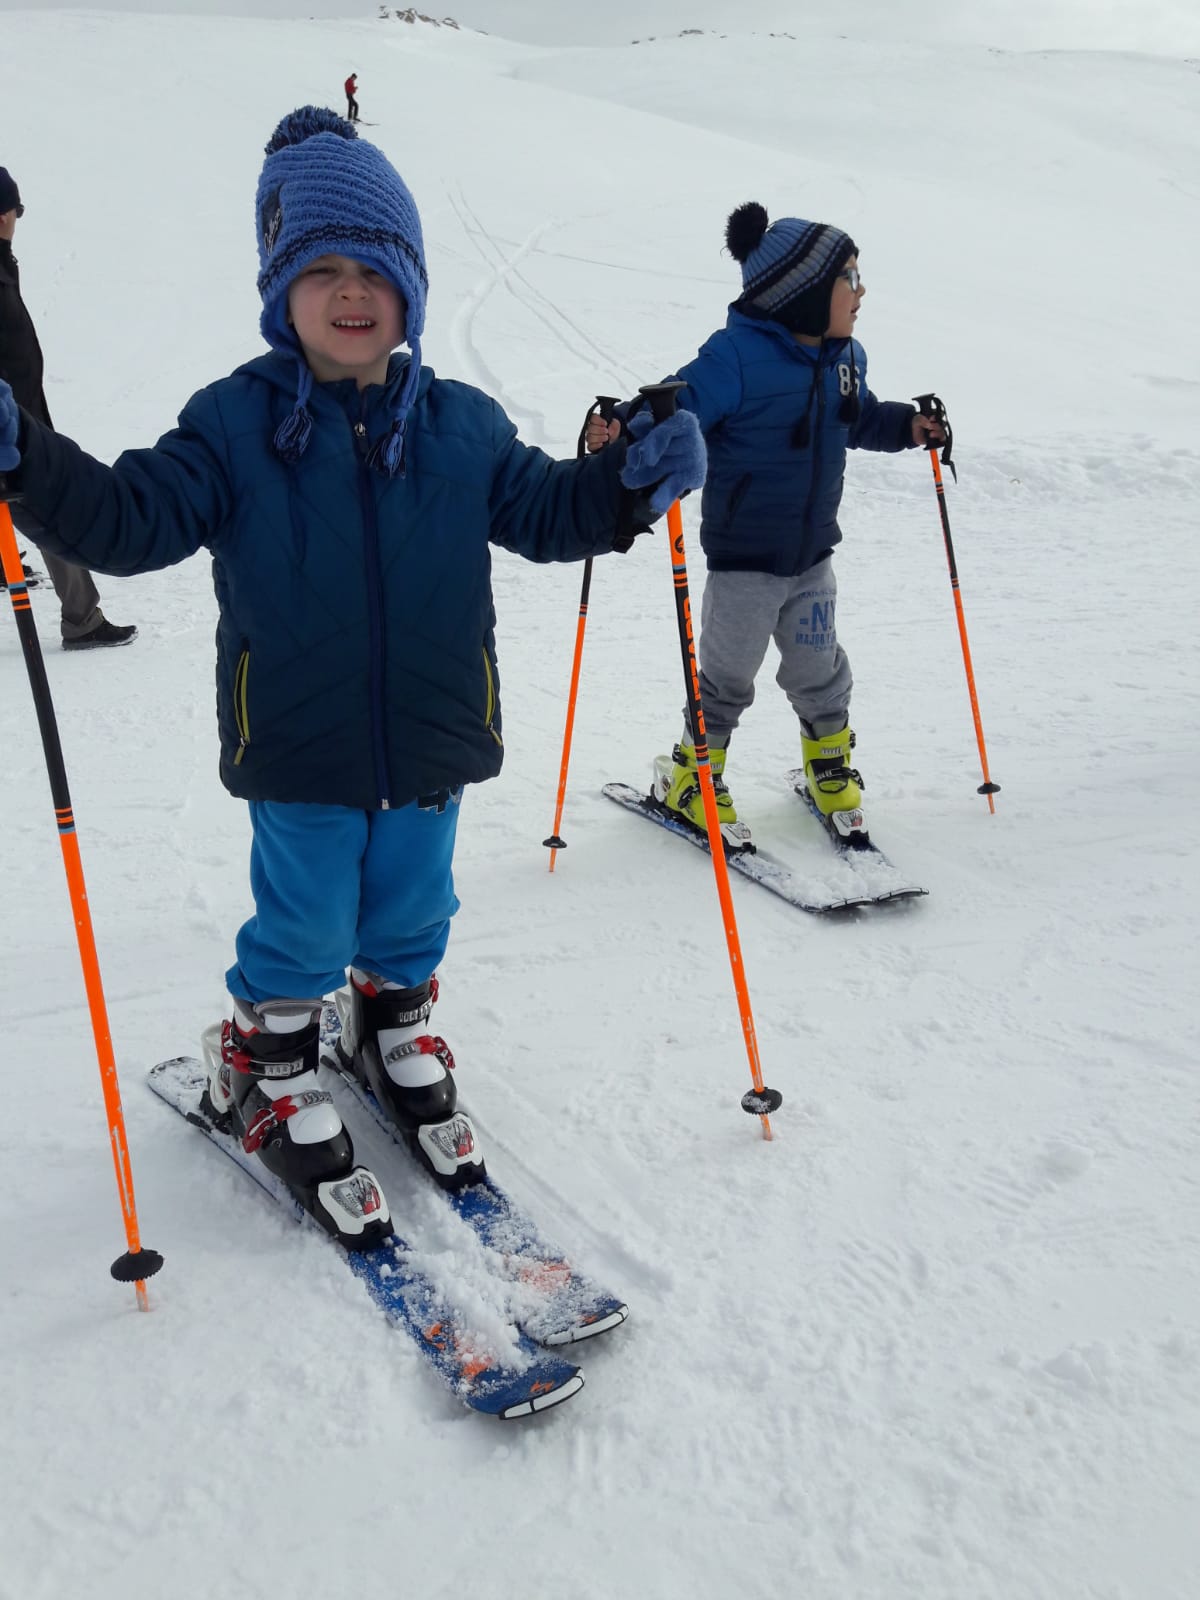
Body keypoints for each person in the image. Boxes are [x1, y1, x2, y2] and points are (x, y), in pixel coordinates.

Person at [0, 108, 704, 1246]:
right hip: (301, 739)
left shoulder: (464, 426)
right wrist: (28, 461)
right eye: (319, 268)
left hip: (431, 735)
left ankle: (392, 1016)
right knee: (305, 913)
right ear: (280, 289)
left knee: (414, 902)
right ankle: (265, 1055)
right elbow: (128, 518)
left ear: (409, 286)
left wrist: (627, 485)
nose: (349, 291)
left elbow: (545, 508)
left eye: (373, 266)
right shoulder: (233, 427)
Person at [588, 201, 944, 849]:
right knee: (727, 675)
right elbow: (679, 402)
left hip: (812, 554)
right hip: (745, 557)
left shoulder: (844, 357)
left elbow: (857, 417)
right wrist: (624, 430)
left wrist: (907, 426)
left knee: (819, 668)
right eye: (850, 279)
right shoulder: (737, 358)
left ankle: (828, 763)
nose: (862, 293)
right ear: (805, 292)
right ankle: (692, 776)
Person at [0, 167, 138, 650]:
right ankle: (82, 620)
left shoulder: (1, 263)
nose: (17, 219)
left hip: (21, 415)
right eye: (15, 210)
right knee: (50, 507)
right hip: (13, 427)